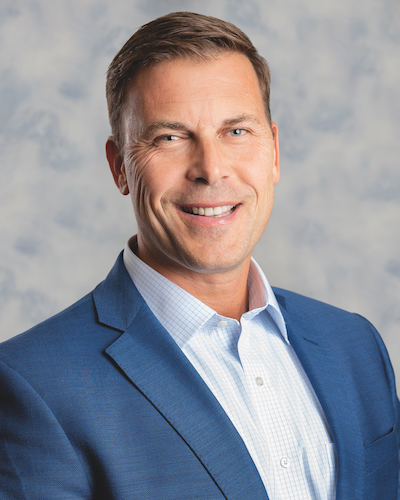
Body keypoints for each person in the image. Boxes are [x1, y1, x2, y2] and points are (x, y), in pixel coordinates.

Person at [0, 11, 398, 500]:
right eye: (170, 137)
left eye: (237, 132)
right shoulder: (33, 385)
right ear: (119, 166)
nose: (211, 169)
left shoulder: (355, 347)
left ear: (274, 152)